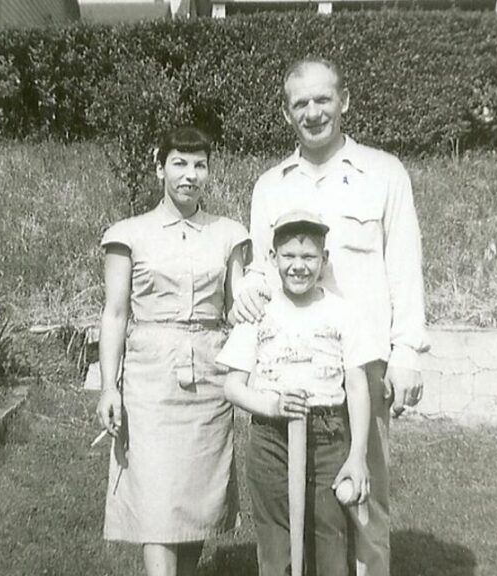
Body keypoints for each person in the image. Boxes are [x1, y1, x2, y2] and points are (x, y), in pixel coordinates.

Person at [232, 57, 430, 576]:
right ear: (285, 112)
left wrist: (407, 353)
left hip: (364, 369)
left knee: (362, 504)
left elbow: (405, 267)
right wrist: (247, 294)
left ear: (345, 101)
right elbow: (261, 270)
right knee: (288, 511)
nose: (313, 112)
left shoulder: (385, 174)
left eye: (323, 100)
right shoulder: (270, 185)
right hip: (293, 374)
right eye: (301, 103)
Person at [95, 126, 249, 576]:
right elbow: (115, 314)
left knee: (199, 498)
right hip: (150, 373)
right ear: (158, 166)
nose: (190, 175)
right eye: (179, 163)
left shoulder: (229, 234)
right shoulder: (128, 234)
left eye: (199, 165)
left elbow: (240, 307)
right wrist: (109, 388)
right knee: (158, 496)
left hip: (210, 372)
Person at [217, 210, 375, 576]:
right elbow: (232, 386)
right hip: (271, 441)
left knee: (329, 540)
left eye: (309, 257)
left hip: (328, 439)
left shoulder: (342, 313)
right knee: (276, 546)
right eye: (289, 256)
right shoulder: (259, 312)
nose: (299, 266)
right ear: (272, 258)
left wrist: (357, 455)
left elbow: (357, 385)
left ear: (325, 260)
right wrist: (273, 404)